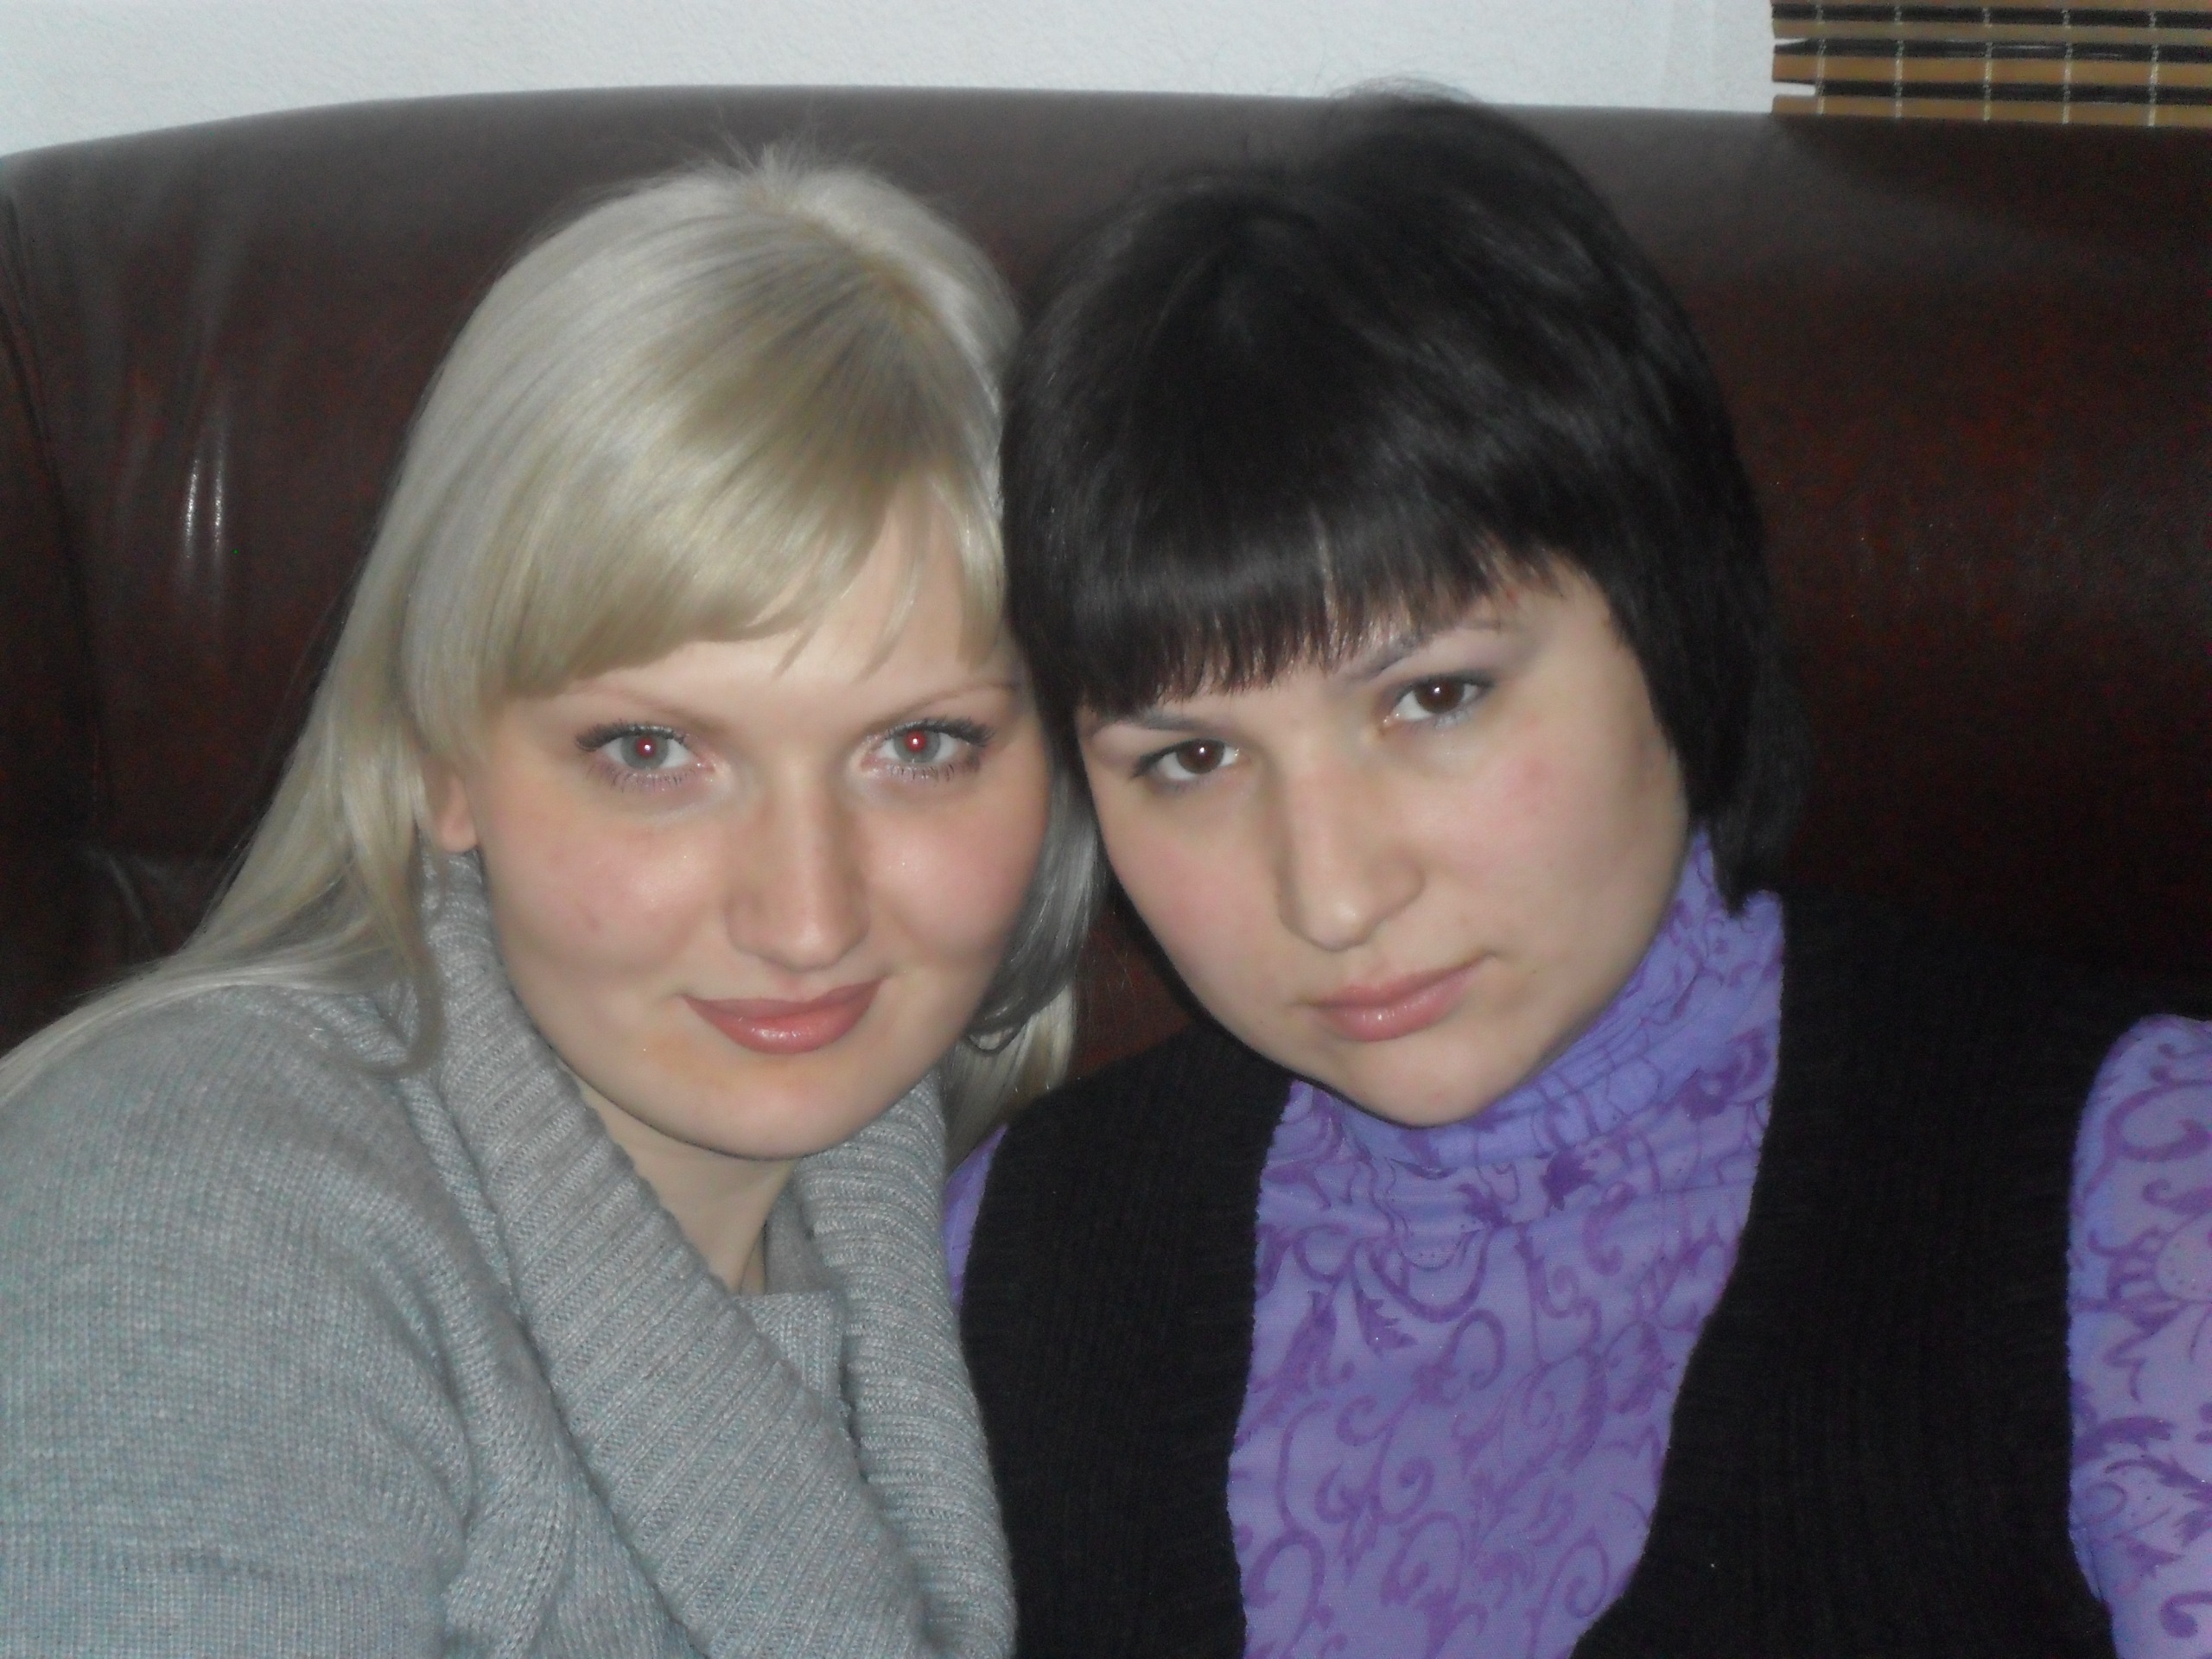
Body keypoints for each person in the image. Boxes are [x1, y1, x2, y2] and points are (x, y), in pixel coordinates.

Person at [946, 98, 2212, 1659]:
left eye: (1436, 697)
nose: (1332, 896)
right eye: (1192, 758)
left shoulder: (2131, 1186)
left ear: (1674, 604)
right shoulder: (1018, 1253)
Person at [0, 156, 1095, 1655]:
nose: (806, 918)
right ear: (441, 757)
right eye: (651, 752)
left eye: (921, 746)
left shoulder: (970, 1227)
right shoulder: (187, 1214)